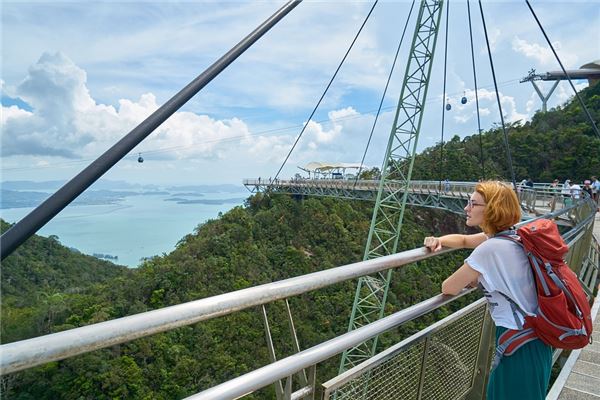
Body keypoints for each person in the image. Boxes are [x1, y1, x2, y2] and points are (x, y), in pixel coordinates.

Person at [423, 181, 552, 399]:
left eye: (473, 204)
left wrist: (476, 276)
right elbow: (464, 240)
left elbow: (449, 287)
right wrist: (438, 240)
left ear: (492, 209)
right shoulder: (511, 237)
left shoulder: (490, 249)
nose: (466, 208)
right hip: (533, 340)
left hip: (519, 344)